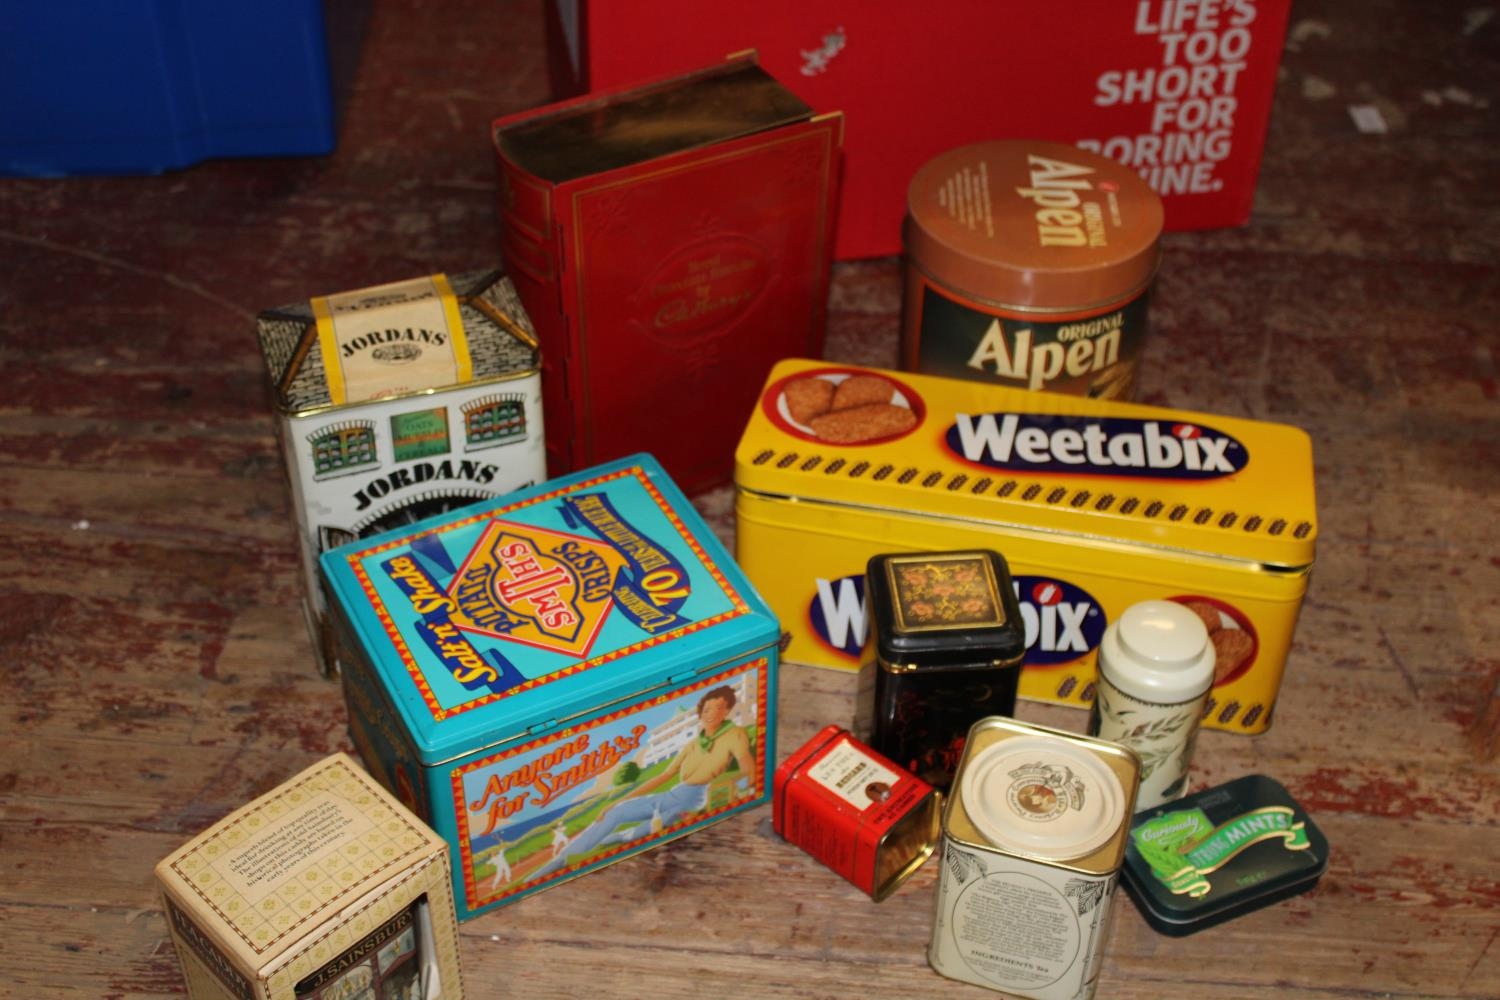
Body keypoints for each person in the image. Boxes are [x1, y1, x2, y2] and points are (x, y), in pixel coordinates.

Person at [535, 686, 753, 876]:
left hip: (691, 799)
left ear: (726, 710)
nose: (710, 713)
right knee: (616, 813)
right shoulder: (694, 744)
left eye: (717, 707)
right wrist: (615, 803)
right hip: (672, 794)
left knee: (653, 826)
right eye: (706, 708)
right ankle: (562, 859)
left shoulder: (734, 735)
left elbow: (747, 765)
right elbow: (663, 776)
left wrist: (747, 786)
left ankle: (623, 836)